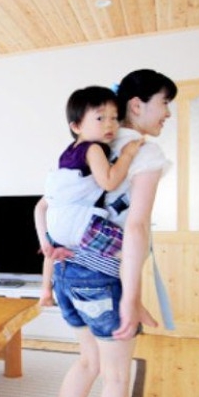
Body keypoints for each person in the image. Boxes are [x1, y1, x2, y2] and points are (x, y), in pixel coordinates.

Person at [38, 68, 177, 397]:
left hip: (67, 272)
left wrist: (48, 266)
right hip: (102, 276)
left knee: (88, 362)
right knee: (116, 376)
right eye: (164, 103)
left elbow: (45, 206)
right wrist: (130, 297)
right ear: (137, 104)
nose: (167, 113)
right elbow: (135, 228)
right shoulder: (144, 153)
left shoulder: (90, 145)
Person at [36, 86, 143, 307]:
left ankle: (46, 291)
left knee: (54, 254)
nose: (110, 124)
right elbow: (109, 181)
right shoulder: (93, 149)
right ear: (76, 126)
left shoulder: (66, 156)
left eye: (114, 118)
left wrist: (44, 240)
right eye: (100, 118)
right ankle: (133, 303)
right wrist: (127, 154)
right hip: (81, 225)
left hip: (57, 225)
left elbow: (40, 206)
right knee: (132, 250)